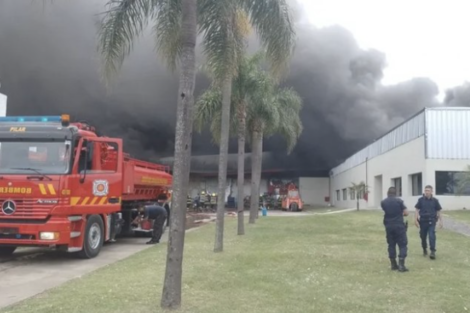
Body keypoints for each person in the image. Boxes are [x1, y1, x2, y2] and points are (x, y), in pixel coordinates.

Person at [381, 186, 409, 272]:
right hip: (399, 225)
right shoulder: (399, 201)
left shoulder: (383, 202)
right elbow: (406, 213)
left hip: (388, 225)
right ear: (396, 193)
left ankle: (393, 264)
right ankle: (401, 265)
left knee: (391, 244)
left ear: (387, 193)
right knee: (403, 244)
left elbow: (386, 211)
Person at [414, 185, 443, 260]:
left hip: (432, 220)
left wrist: (441, 221)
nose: (426, 192)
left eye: (428, 190)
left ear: (431, 191)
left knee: (431, 236)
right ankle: (424, 249)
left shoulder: (435, 201)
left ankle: (432, 251)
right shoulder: (420, 200)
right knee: (423, 236)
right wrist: (416, 219)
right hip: (423, 221)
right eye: (425, 190)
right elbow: (417, 209)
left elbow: (438, 211)